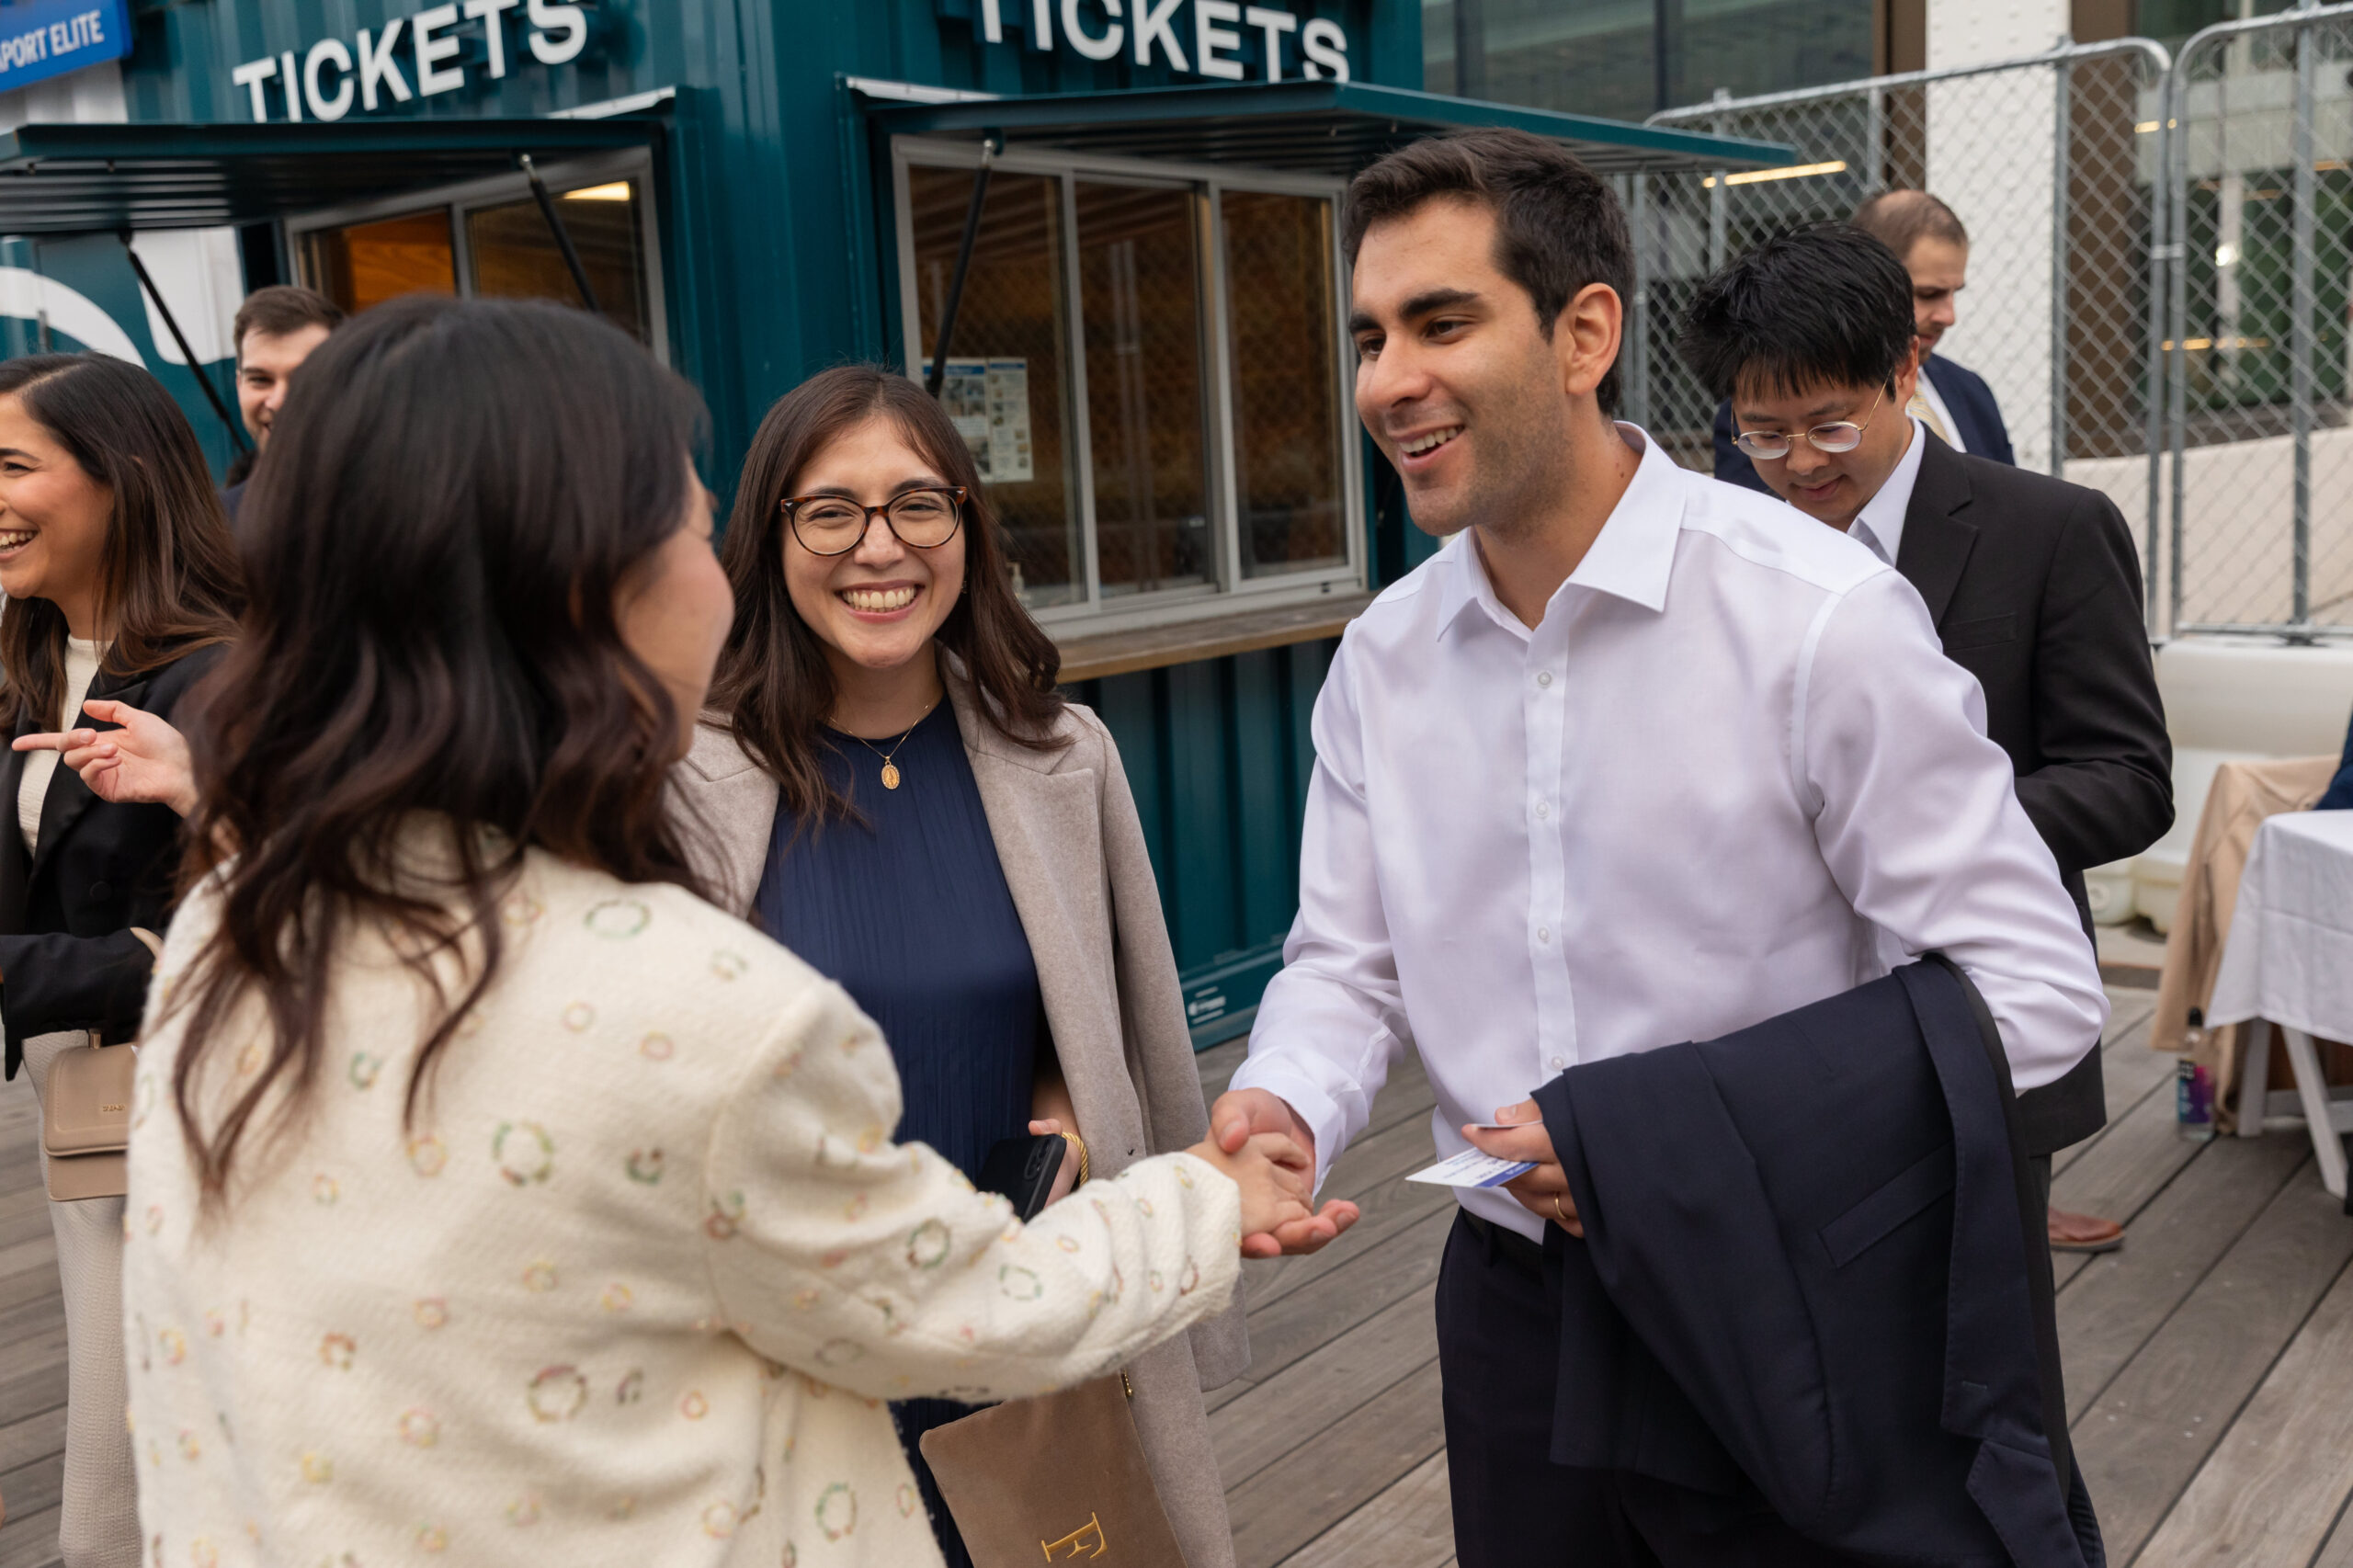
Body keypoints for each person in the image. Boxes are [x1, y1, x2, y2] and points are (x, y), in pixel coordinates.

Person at [121, 296, 1312, 1567]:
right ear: (586, 591)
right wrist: (1204, 1198)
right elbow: (960, 1304)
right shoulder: (694, 1009)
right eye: (700, 532)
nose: (723, 576)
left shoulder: (226, 933)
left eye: (919, 504)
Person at [1207, 129, 2106, 1565]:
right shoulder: (1383, 656)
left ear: (1585, 334)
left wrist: (1668, 1139)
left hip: (1788, 1291)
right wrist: (1287, 1100)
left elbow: (2039, 994)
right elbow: (1346, 960)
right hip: (1510, 1306)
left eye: (1442, 323)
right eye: (1371, 335)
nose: (1387, 379)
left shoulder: (1818, 617)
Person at [674, 363, 1349, 1568]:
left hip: (1022, 1318)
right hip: (788, 1362)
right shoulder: (687, 777)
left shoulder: (1059, 754)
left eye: (917, 503)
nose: (879, 546)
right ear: (768, 536)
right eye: (831, 509)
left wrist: (1066, 1125)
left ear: (967, 526)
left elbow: (1101, 1021)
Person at [1685, 222, 2172, 1255]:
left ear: (1905, 368)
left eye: (1828, 424)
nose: (1798, 465)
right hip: (1774, 1016)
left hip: (1981, 1000)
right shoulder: (1718, 545)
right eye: (1760, 434)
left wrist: (1922, 816)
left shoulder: (2049, 529)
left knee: (1985, 1345)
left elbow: (2129, 779)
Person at [0, 352, 242, 1568]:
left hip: (190, 1115)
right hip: (80, 1113)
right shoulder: (33, 655)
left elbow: (256, 924)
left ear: (124, 479)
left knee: (134, 1471)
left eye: (11, 466)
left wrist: (33, 970)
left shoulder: (225, 671)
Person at [1713, 189, 2012, 493]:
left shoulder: (1970, 392)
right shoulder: (1767, 412)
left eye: (1953, 293)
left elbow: (2004, 505)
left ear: (1906, 370)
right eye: (1928, 294)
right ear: (1868, 282)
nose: (1949, 316)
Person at [220, 284, 343, 511]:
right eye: (260, 379)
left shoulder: (401, 505)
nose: (278, 402)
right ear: (239, 386)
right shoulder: (215, 527)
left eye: (303, 378)